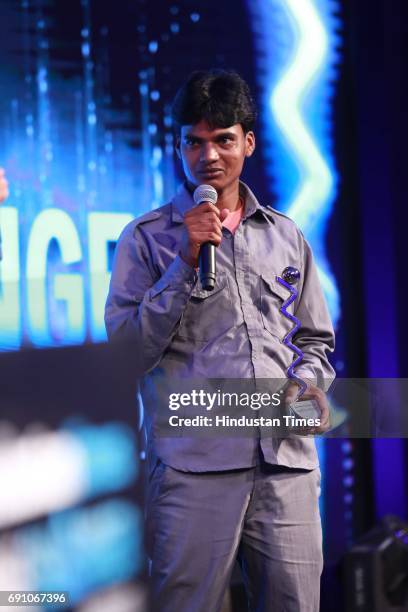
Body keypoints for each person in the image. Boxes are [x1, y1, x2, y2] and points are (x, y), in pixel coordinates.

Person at [105, 70, 335, 612]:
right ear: (179, 147)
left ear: (248, 143)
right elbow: (126, 355)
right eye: (194, 141)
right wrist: (185, 261)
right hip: (192, 469)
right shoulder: (146, 240)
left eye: (223, 139)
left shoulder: (286, 235)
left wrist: (306, 385)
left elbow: (315, 341)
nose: (209, 155)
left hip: (286, 464)